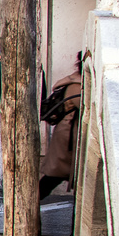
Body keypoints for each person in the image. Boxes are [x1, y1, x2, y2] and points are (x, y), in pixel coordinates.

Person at [40, 54, 84, 199]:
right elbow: (87, 107)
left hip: (70, 135)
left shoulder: (78, 82)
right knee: (54, 176)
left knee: (56, 176)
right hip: (67, 137)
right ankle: (26, 205)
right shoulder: (77, 86)